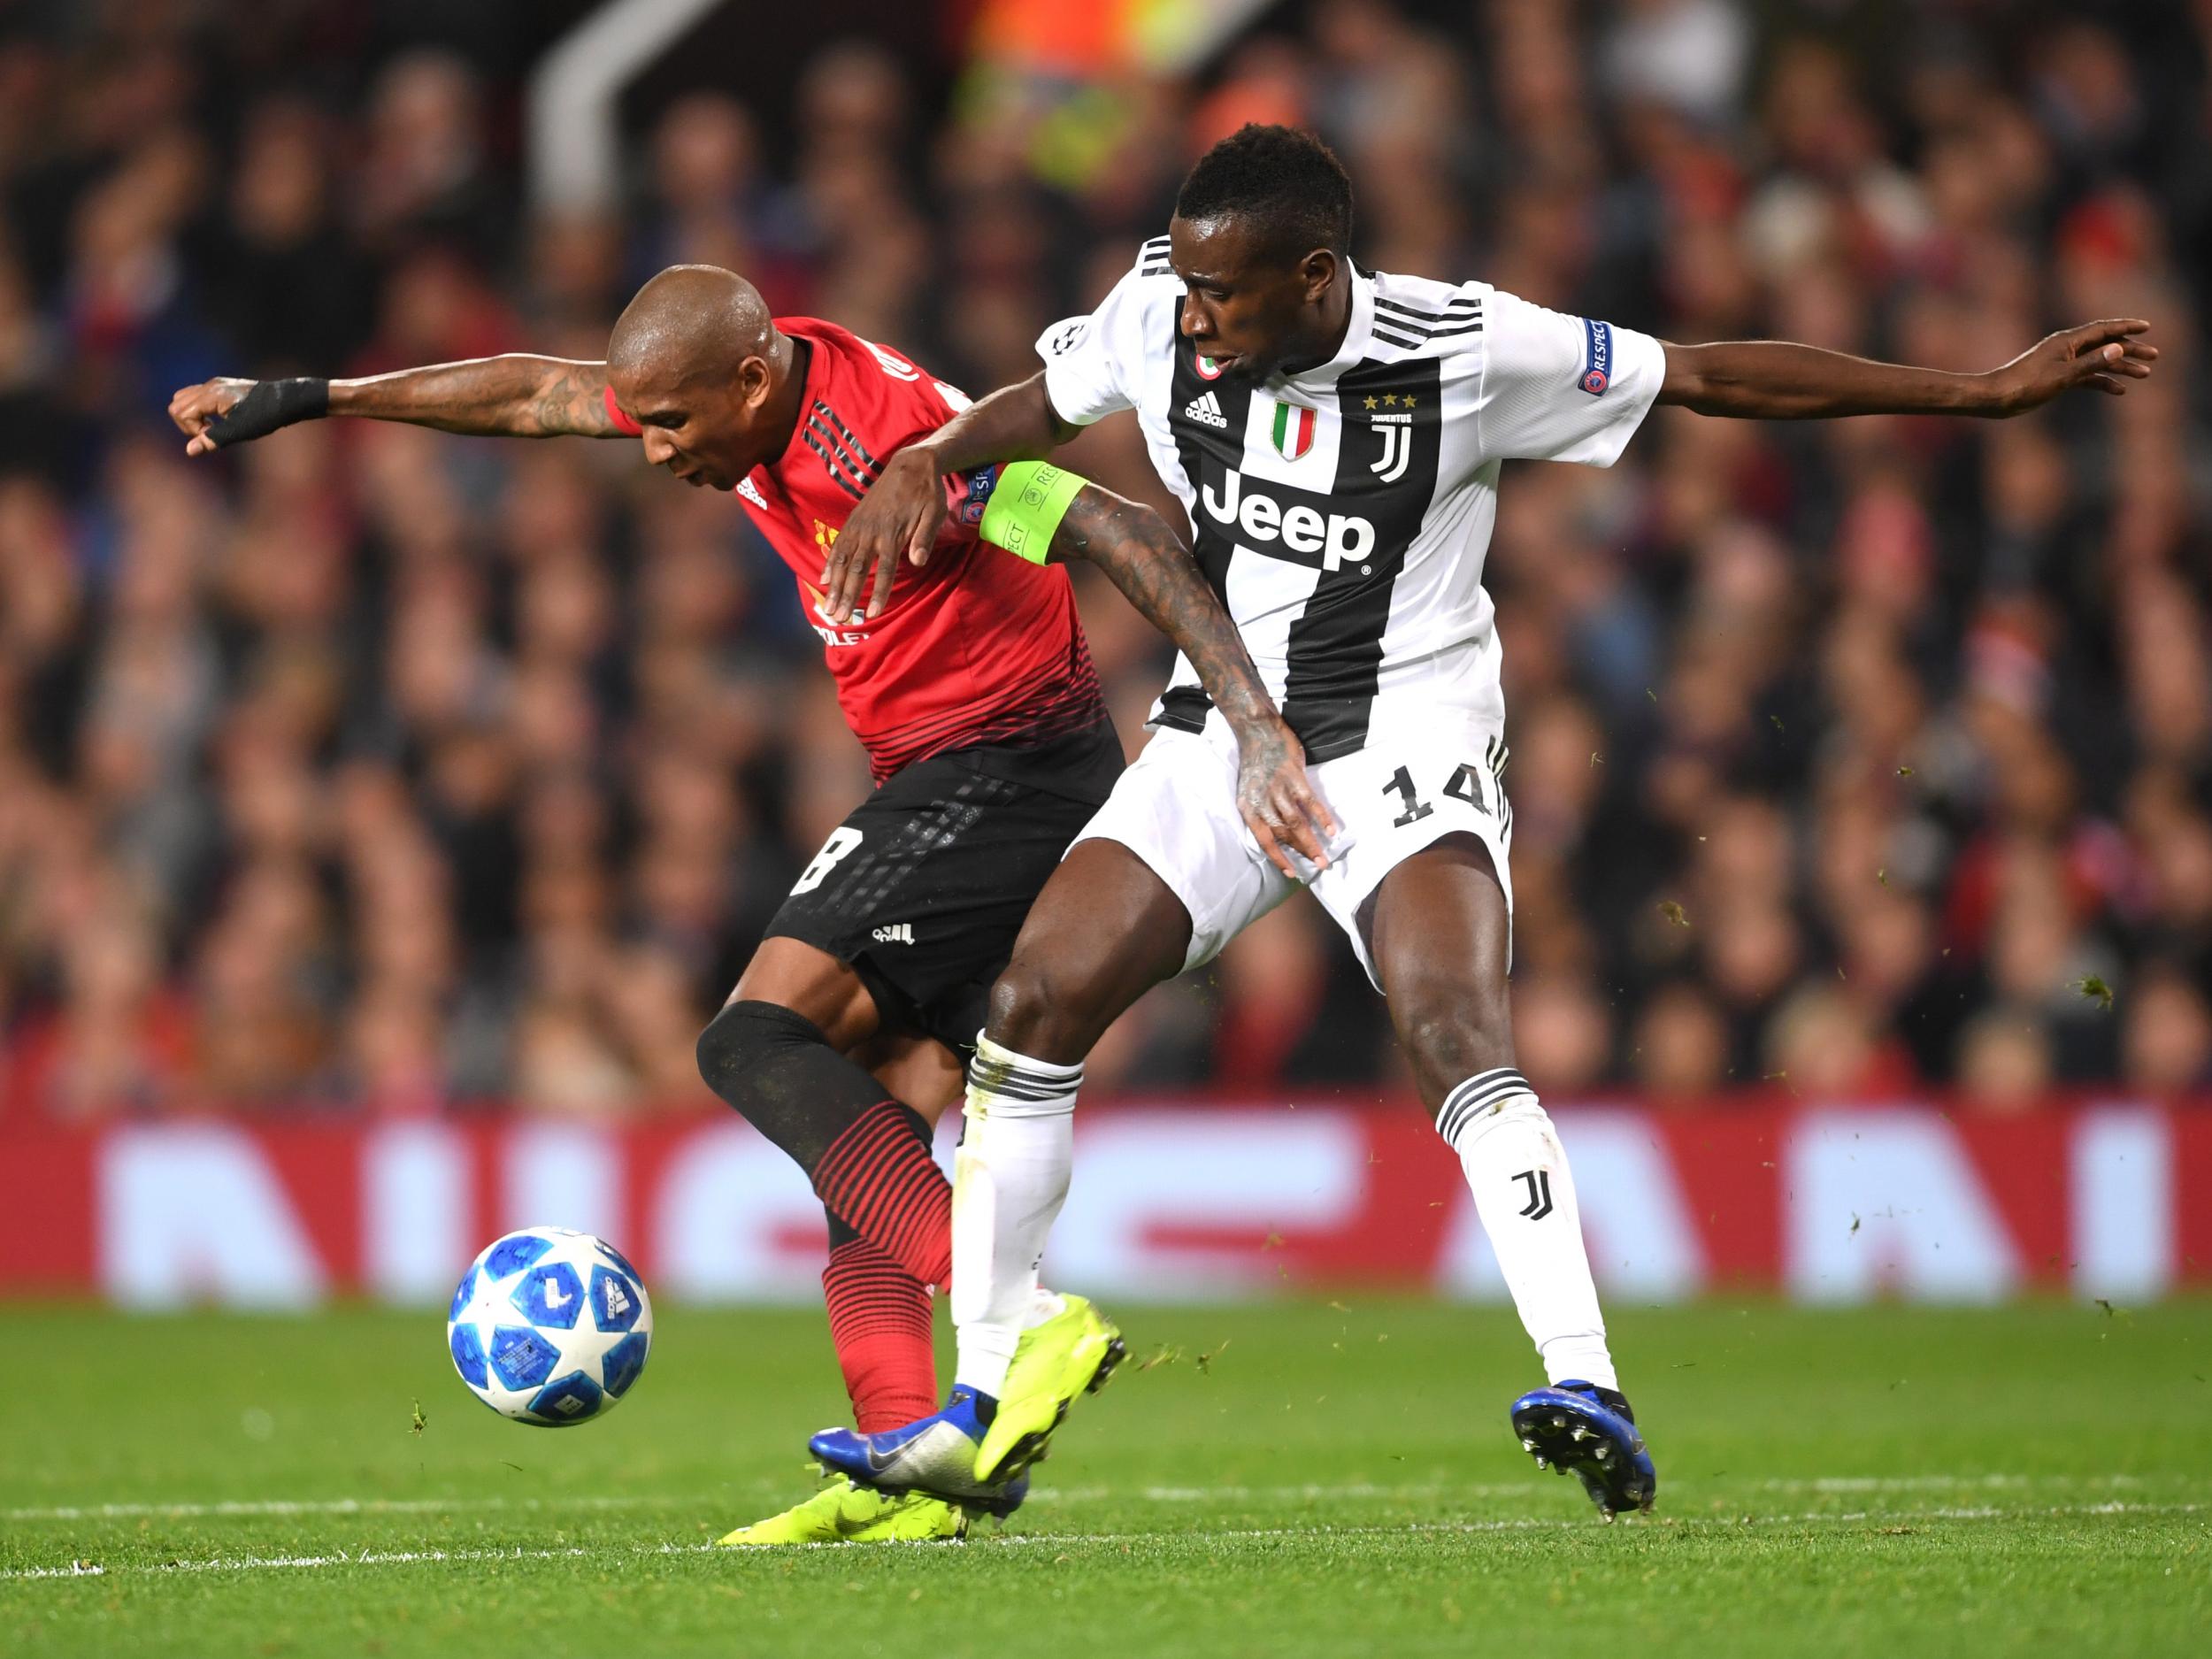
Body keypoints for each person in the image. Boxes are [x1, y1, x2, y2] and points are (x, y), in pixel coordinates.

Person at [807, 124, 2159, 1521]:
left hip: (1404, 730)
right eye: (1190, 293)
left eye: (1228, 297)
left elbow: (1705, 375)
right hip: (1223, 730)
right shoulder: (1162, 309)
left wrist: (1982, 392)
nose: (1195, 320)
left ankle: (1586, 1379)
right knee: (1032, 1000)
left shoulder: (1468, 349)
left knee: (1450, 1021)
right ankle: (983, 1400)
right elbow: (1044, 395)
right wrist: (933, 457)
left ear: (1317, 275)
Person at [166, 263, 1329, 1543]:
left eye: (670, 424)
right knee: (868, 1119)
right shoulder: (738, 398)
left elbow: (1121, 530)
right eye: (645, 425)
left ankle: (1018, 1314)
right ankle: (914, 1465)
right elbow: (537, 398)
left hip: (1007, 771)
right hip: (952, 773)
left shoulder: (900, 450)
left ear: (751, 381)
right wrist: (310, 398)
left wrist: (1252, 723)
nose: (654, 451)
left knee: (751, 1039)